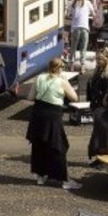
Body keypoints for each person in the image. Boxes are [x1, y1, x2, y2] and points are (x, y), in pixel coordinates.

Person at [26, 58, 82, 190]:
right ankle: (63, 178)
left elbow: (30, 97)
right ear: (60, 68)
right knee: (58, 146)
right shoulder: (62, 81)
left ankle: (40, 175)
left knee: (39, 144)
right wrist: (64, 82)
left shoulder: (40, 78)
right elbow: (74, 97)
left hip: (38, 113)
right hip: (53, 115)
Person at [68, 0, 95, 71]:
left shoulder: (72, 4)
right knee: (83, 48)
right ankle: (82, 66)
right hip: (84, 28)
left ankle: (71, 64)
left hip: (75, 28)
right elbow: (93, 13)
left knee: (73, 47)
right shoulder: (87, 2)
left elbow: (69, 15)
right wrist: (90, 15)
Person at [86, 47, 108, 111]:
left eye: (100, 59)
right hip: (95, 102)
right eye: (96, 59)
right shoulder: (98, 71)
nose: (97, 61)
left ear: (106, 59)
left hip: (104, 105)